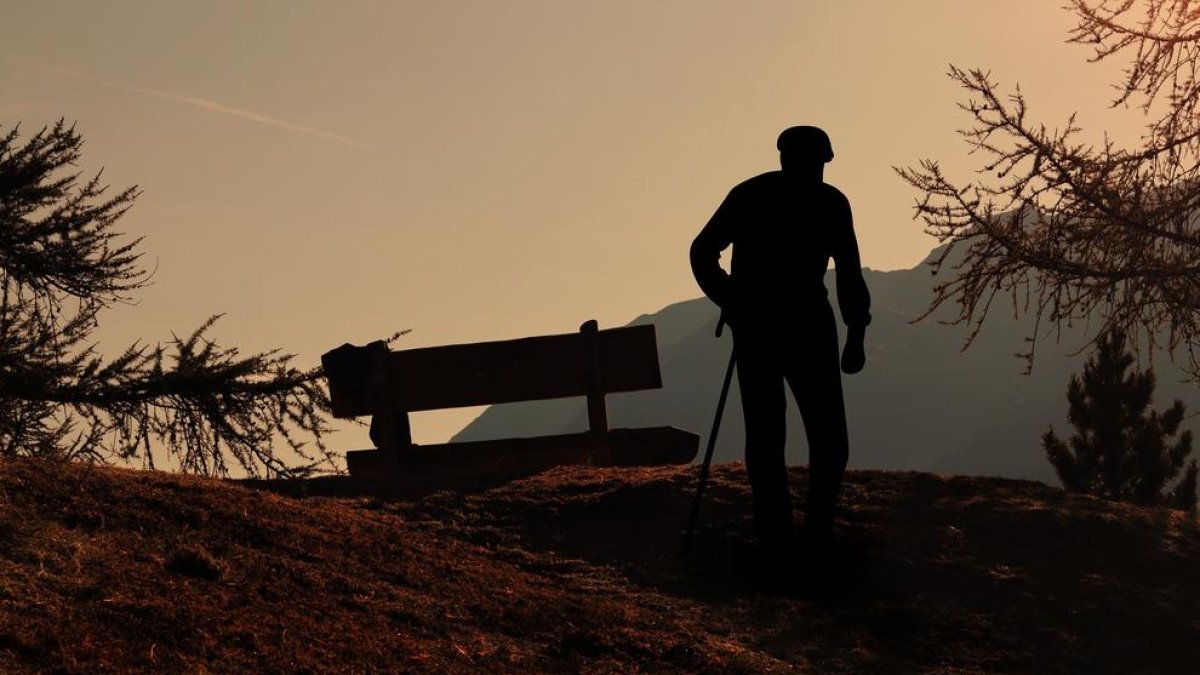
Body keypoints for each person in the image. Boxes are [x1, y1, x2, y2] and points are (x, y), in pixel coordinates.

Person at [690, 125, 870, 559]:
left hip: (771, 325)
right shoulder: (823, 202)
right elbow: (701, 251)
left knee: (789, 436)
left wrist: (856, 331)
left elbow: (848, 272)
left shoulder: (757, 196)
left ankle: (791, 538)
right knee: (803, 436)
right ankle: (799, 538)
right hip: (790, 323)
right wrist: (731, 296)